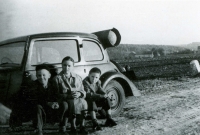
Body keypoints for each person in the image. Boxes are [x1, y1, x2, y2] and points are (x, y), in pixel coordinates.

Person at [53, 56, 88, 135]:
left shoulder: (77, 77)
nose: (66, 68)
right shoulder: (57, 78)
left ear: (73, 66)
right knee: (72, 104)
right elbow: (56, 94)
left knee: (84, 102)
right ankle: (73, 127)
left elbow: (83, 91)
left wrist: (80, 94)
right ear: (61, 65)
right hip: (65, 99)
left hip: (77, 98)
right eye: (64, 65)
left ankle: (82, 126)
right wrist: (68, 96)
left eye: (69, 66)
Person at [30, 64, 60, 135]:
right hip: (40, 109)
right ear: (36, 76)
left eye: (44, 75)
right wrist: (48, 103)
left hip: (51, 109)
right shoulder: (34, 85)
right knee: (38, 107)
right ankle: (39, 130)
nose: (42, 77)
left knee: (63, 104)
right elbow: (34, 99)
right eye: (39, 75)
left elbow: (57, 96)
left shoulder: (53, 84)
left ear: (49, 75)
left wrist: (56, 103)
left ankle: (61, 126)